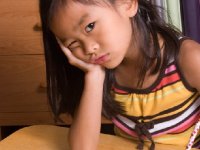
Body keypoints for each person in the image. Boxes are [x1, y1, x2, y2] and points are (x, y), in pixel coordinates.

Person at [39, 0, 200, 150]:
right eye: (73, 43)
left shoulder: (190, 59)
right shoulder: (101, 69)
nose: (88, 48)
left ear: (127, 3)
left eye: (90, 26)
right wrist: (94, 77)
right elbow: (82, 147)